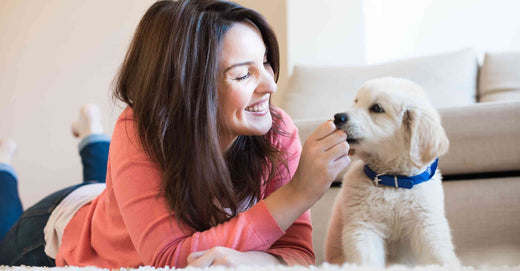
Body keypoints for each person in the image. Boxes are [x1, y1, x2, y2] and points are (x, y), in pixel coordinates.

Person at [0, 0, 350, 268]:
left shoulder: (276, 130)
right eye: (243, 75)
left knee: (110, 193)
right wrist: (298, 193)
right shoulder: (143, 127)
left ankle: (91, 137)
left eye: (266, 63)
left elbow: (297, 256)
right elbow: (166, 259)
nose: (270, 85)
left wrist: (243, 261)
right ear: (187, 89)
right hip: (61, 226)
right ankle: (6, 165)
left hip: (113, 203)